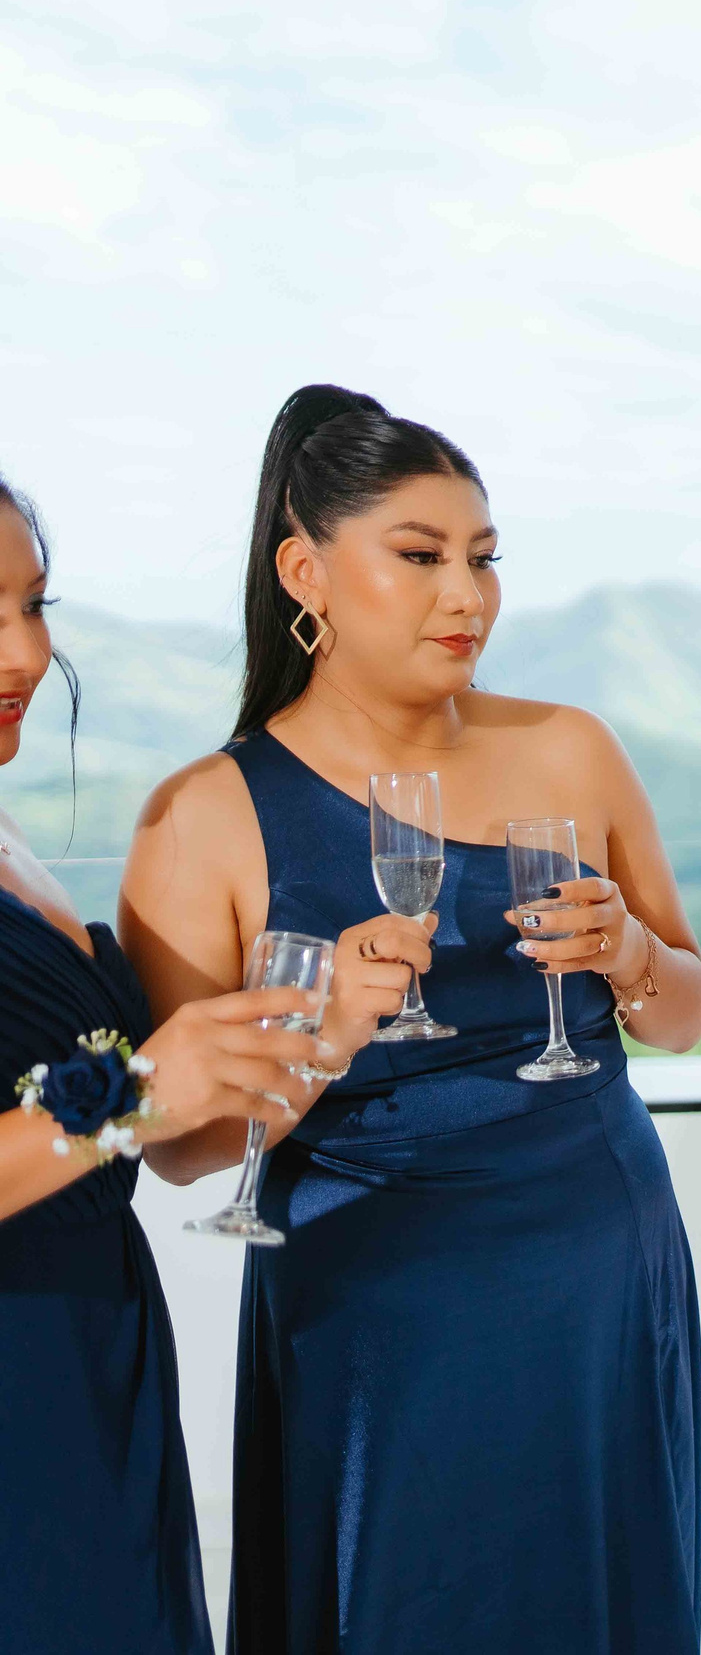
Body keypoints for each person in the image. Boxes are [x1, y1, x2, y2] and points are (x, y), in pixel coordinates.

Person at [125, 384, 701, 1654]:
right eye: (421, 556)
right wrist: (316, 1039)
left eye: (485, 558)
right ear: (307, 572)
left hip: (601, 1267)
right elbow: (175, 1149)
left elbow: (685, 1016)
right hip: (377, 1305)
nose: (470, 595)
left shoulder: (571, 749)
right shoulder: (203, 817)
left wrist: (627, 954)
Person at [0, 475, 349, 1655]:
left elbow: (169, 1148)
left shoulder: (5, 836)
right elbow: (120, 1110)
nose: (22, 656)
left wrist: (315, 1037)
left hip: (93, 1368)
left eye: (33, 604)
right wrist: (131, 1095)